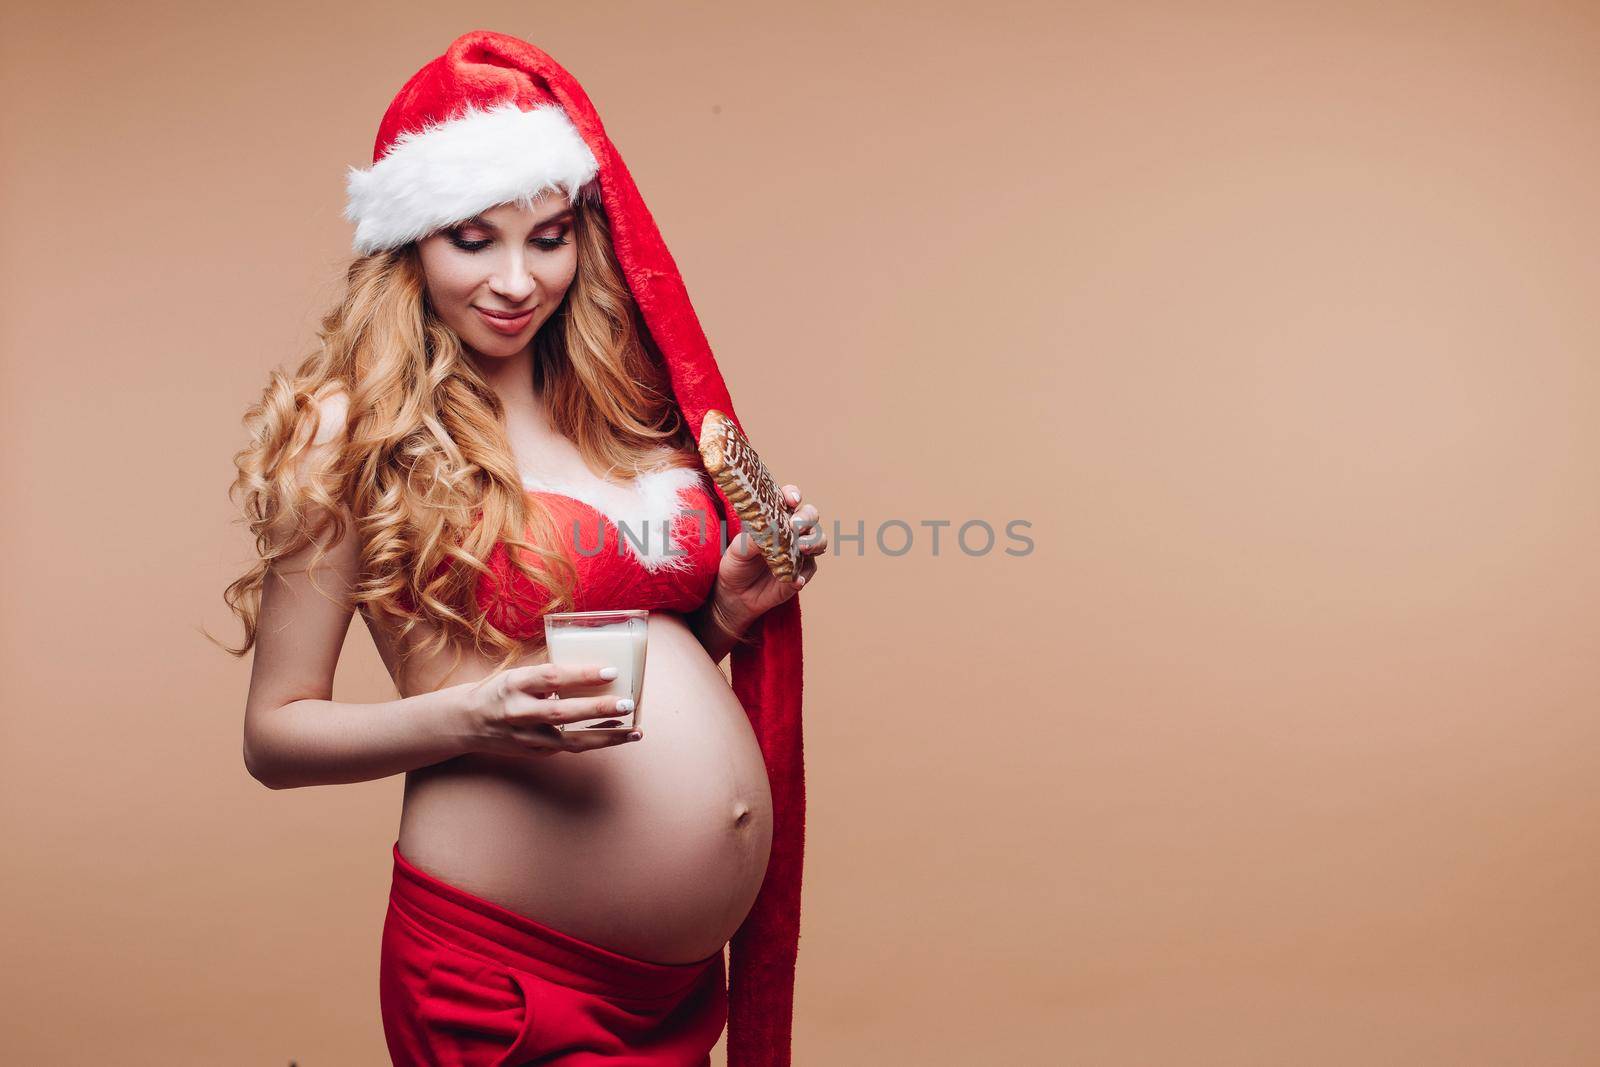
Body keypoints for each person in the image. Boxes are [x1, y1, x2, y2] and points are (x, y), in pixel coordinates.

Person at [222, 30, 823, 1066]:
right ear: (408, 242)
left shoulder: (615, 407)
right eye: (472, 238)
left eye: (548, 237)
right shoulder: (348, 427)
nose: (516, 279)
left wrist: (727, 607)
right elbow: (274, 737)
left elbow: (621, 672)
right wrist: (472, 715)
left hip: (673, 988)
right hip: (508, 977)